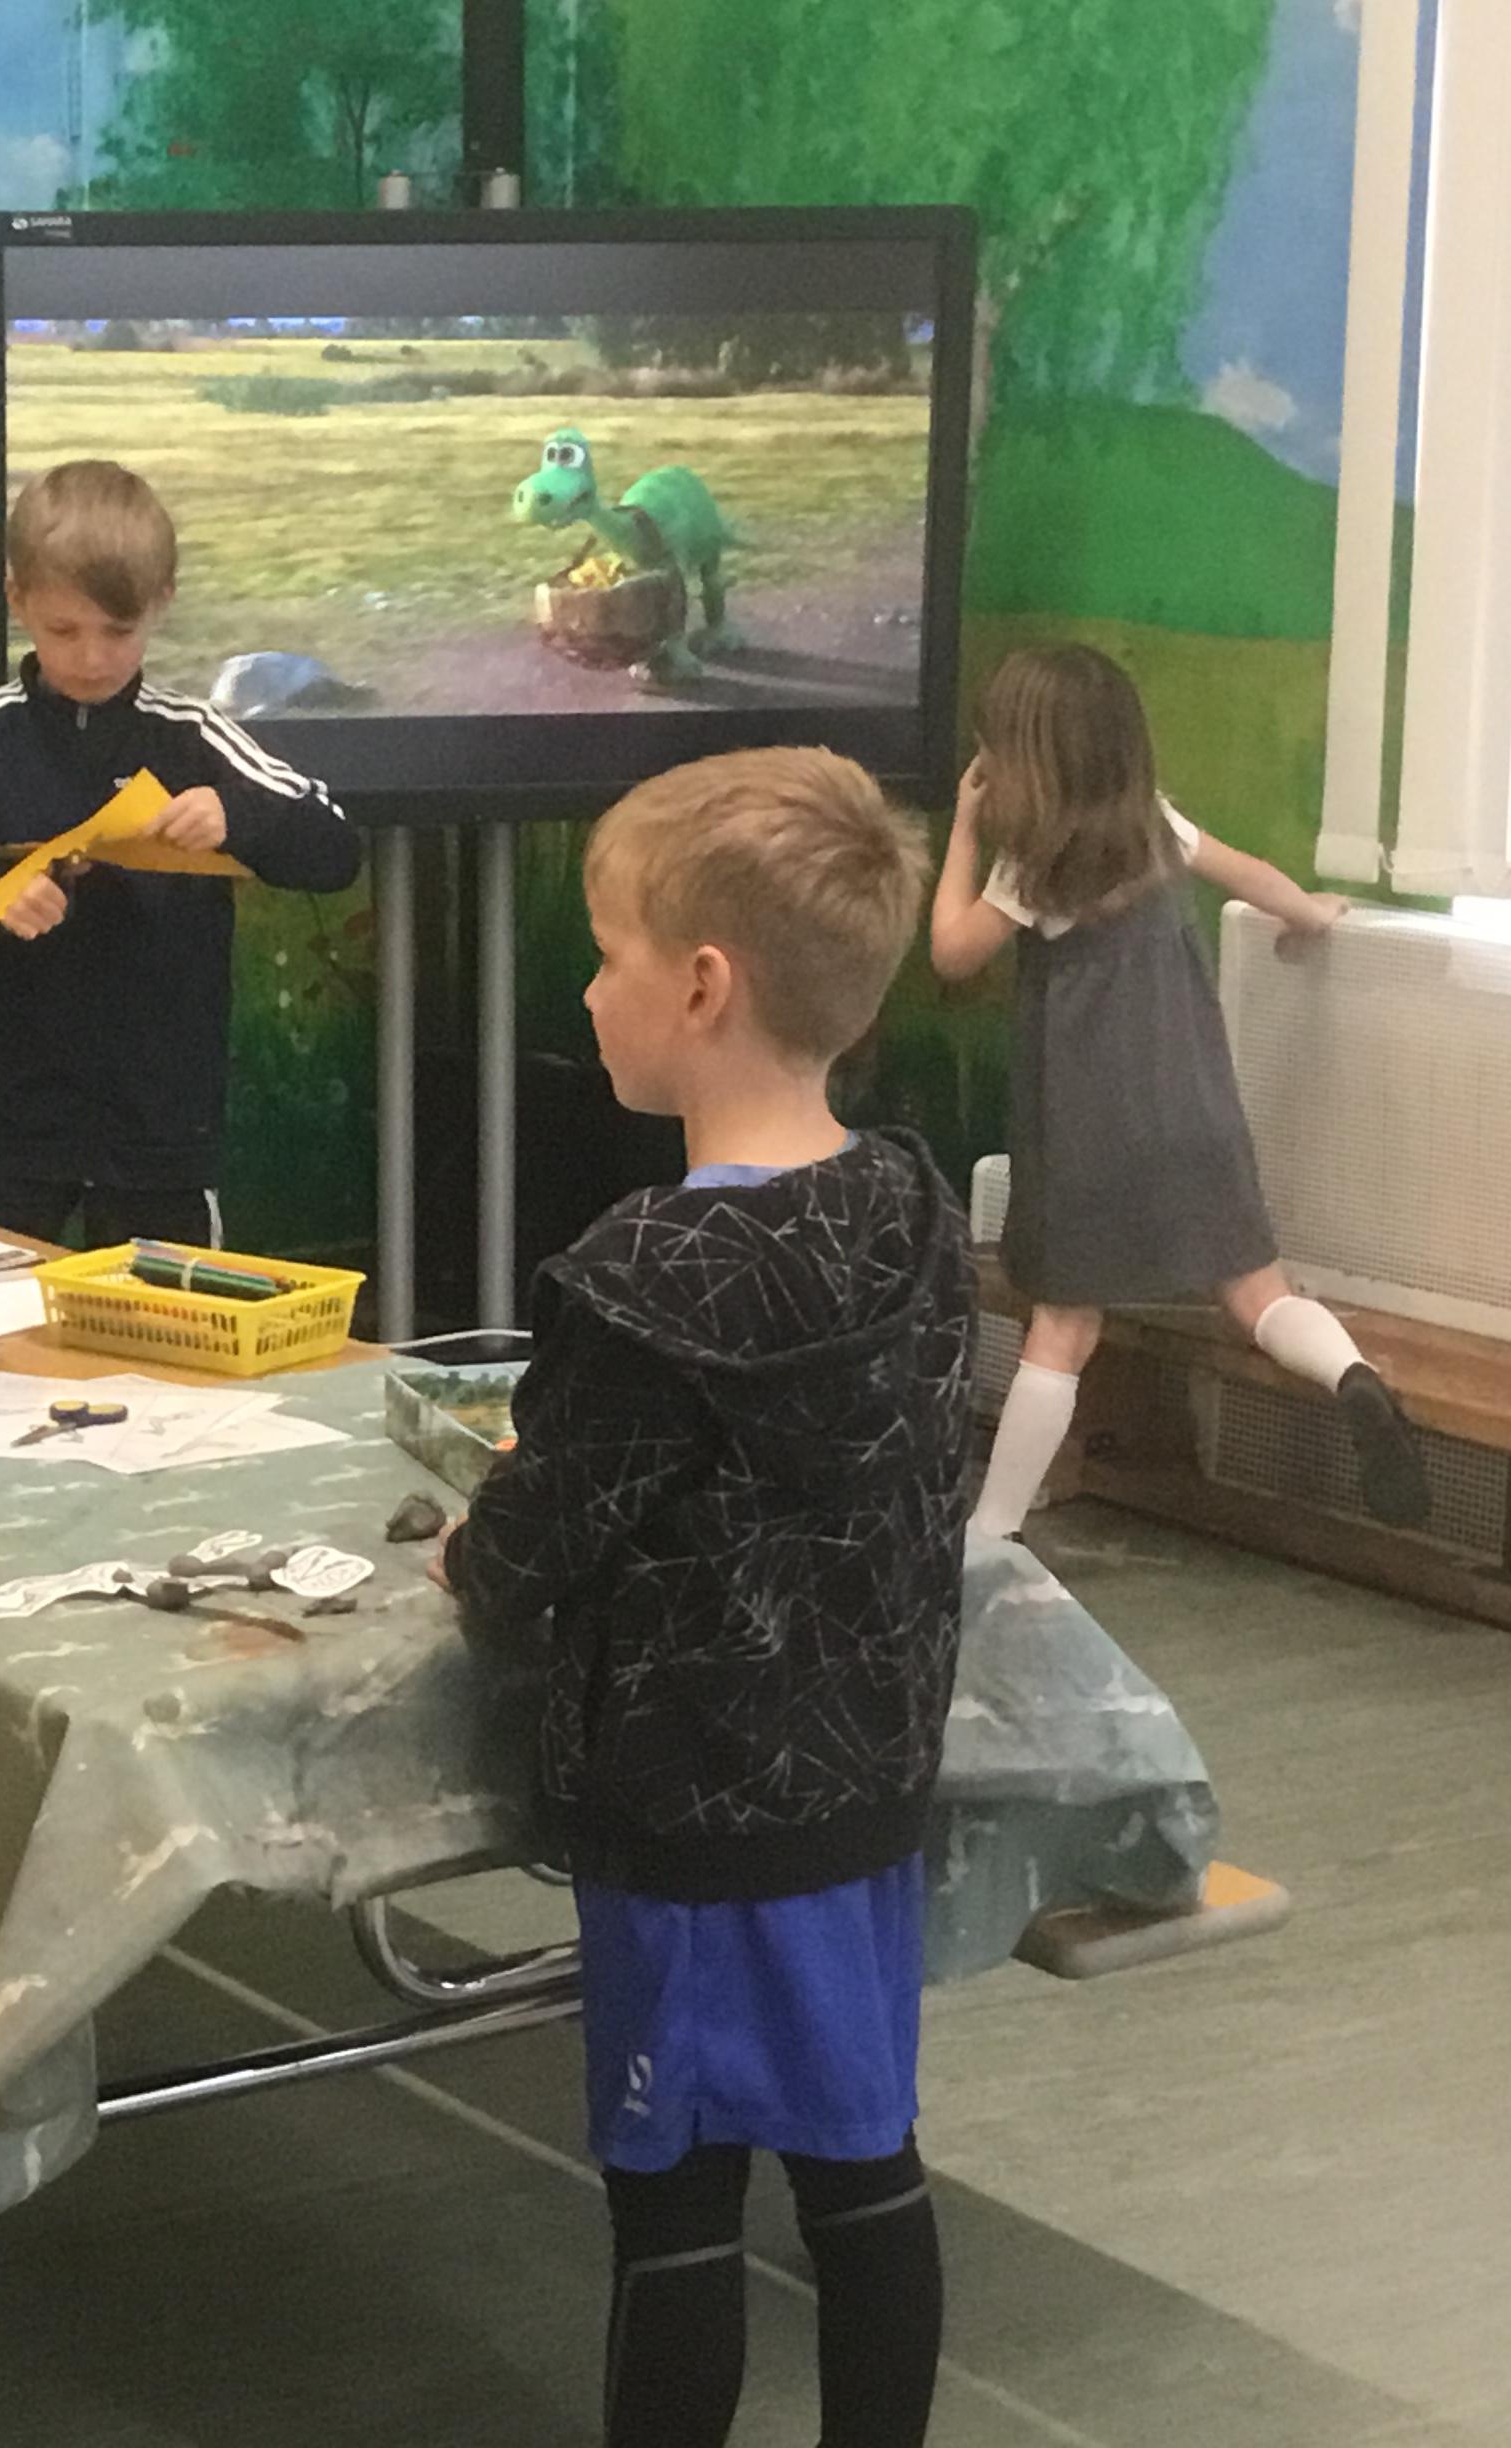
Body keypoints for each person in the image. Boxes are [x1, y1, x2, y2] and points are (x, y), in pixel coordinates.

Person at [441, 748, 971, 2448]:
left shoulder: (643, 1285)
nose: (587, 992)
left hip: (691, 1824)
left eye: (604, 955)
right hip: (863, 1799)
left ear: (699, 985)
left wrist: (466, 1544)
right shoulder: (910, 1210)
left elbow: (523, 1560)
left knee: (672, 2205)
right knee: (864, 2164)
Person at [932, 642, 1429, 1538]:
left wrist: (965, 831)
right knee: (1259, 1295)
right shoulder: (1158, 826)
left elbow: (950, 954)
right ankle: (1351, 1375)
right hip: (1196, 1116)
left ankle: (991, 1532)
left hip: (1086, 1139)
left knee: (1063, 1328)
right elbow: (1258, 879)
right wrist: (1311, 913)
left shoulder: (1032, 866)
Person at [0, 459, 363, 1247]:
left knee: (168, 1330)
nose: (90, 659)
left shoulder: (192, 736)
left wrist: (239, 816)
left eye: (119, 632)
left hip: (161, 1148)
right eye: (63, 631)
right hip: (8, 1142)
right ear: (17, 600)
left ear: (161, 603)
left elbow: (336, 848)